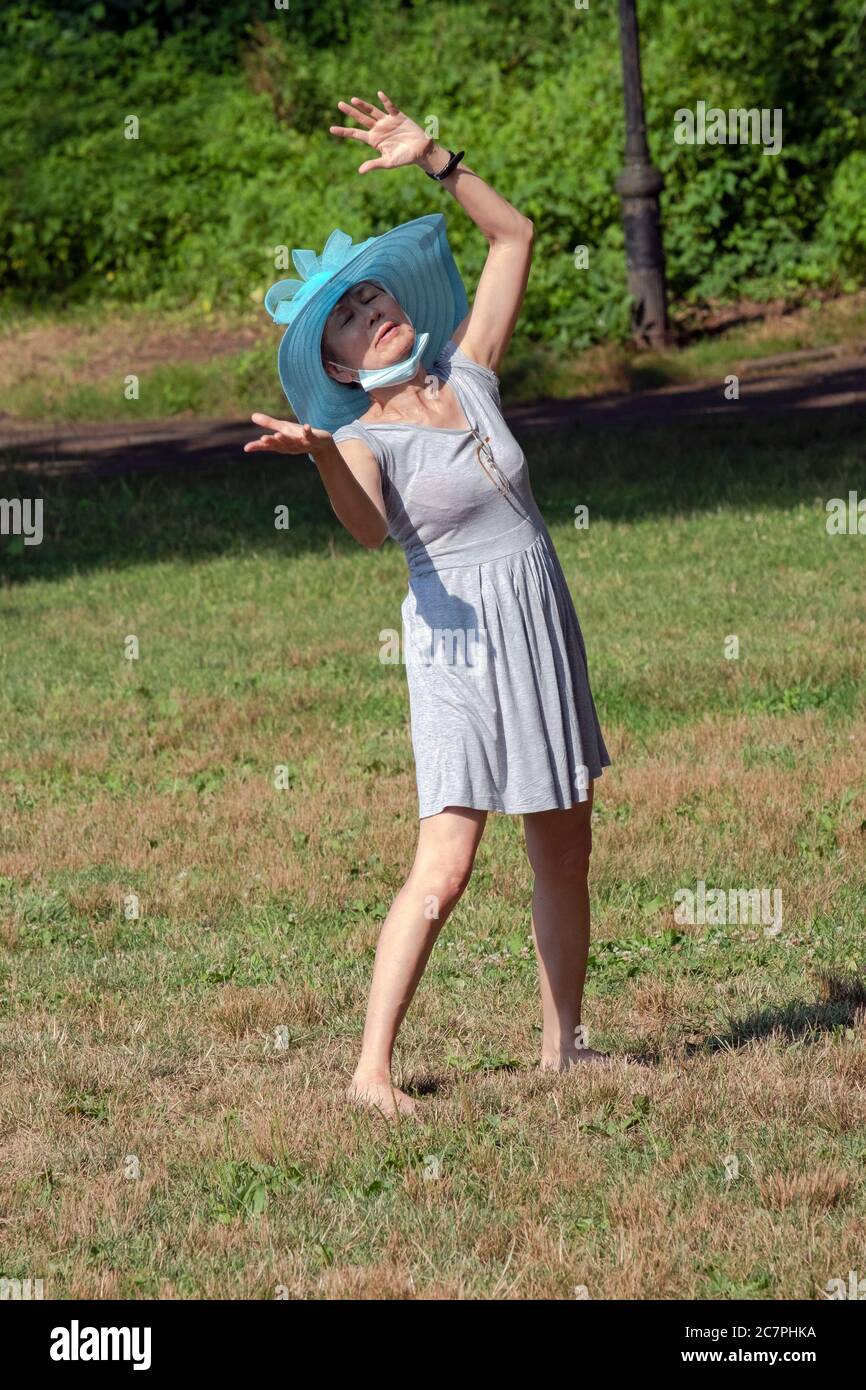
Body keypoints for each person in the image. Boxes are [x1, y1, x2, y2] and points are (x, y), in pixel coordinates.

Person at [246, 90, 613, 1118]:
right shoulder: (364, 438)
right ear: (335, 367)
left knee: (562, 845)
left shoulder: (471, 371)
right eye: (351, 321)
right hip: (456, 648)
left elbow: (514, 235)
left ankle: (562, 1049)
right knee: (445, 864)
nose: (374, 314)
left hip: (536, 620)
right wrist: (321, 454)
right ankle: (369, 1071)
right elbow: (366, 528)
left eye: (371, 299)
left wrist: (433, 158)